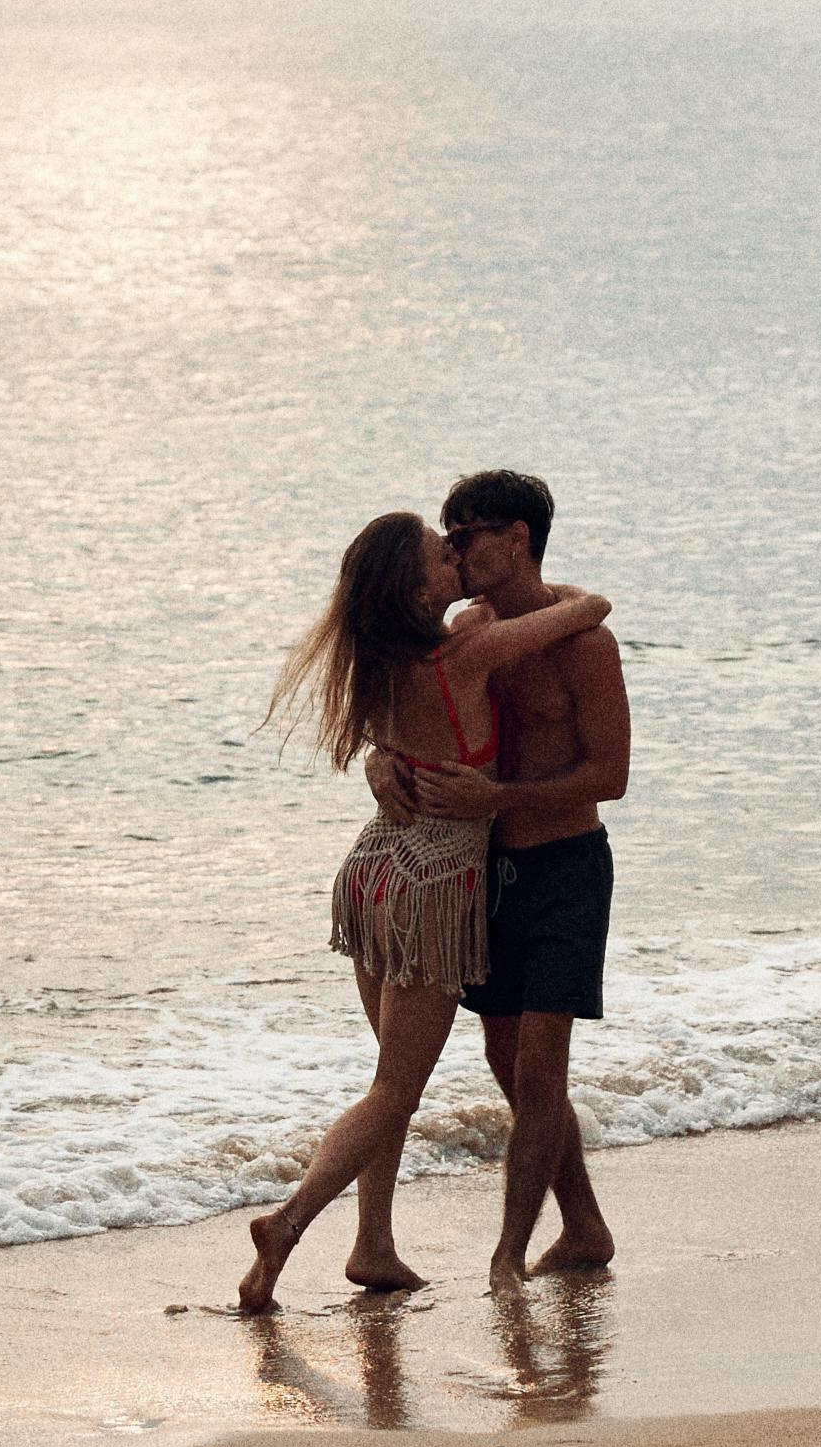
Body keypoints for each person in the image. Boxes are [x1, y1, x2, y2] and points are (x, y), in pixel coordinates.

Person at [237, 506, 611, 1315]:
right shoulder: (468, 653)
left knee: (387, 1081)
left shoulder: (370, 663)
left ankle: (373, 1244)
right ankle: (289, 1223)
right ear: (414, 592)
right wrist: (553, 586)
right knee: (393, 1092)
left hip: (373, 871)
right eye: (441, 555)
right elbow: (589, 609)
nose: (453, 556)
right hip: (434, 887)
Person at [366, 468, 631, 1285]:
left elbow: (610, 773)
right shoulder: (466, 632)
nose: (451, 547)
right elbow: (412, 712)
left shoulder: (584, 643)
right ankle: (584, 1228)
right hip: (484, 873)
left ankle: (507, 1256)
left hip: (563, 867)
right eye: (446, 533)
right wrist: (382, 760)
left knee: (539, 1065)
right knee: (506, 1059)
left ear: (515, 539)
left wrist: (502, 796)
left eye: (465, 532)